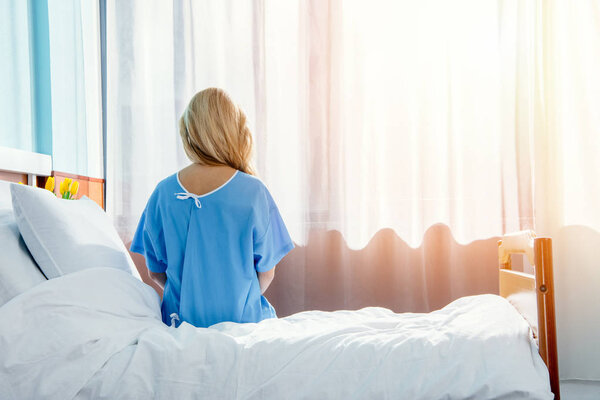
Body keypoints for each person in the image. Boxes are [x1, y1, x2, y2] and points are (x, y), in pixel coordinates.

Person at [130, 88, 294, 328]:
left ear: (188, 133)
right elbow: (267, 273)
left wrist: (190, 296)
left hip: (180, 325)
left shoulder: (163, 193)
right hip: (242, 323)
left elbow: (156, 272)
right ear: (234, 131)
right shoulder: (253, 191)